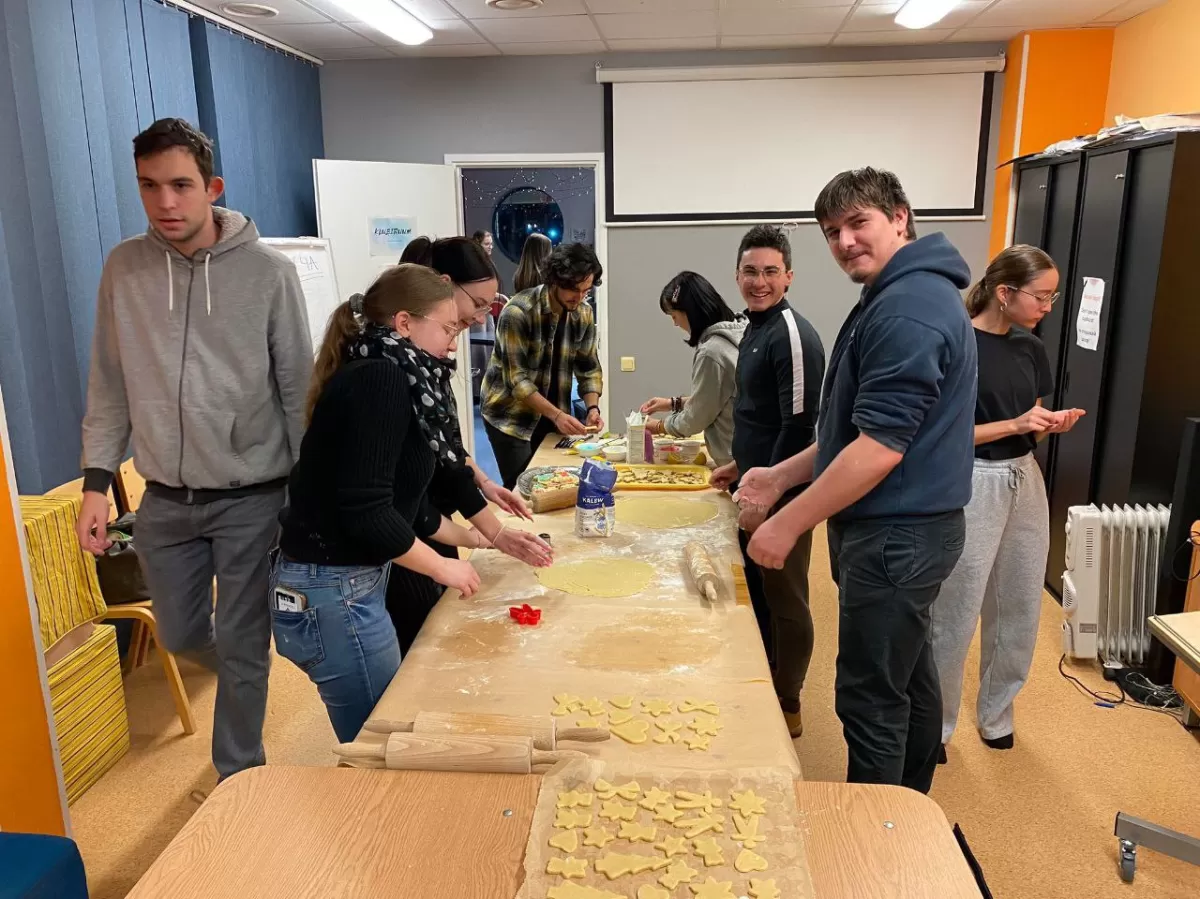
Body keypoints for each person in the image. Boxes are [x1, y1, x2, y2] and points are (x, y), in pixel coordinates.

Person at [75, 118, 314, 780]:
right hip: (165, 498)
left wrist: (310, 497)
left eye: (181, 185)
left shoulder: (269, 274)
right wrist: (96, 480)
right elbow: (109, 379)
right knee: (179, 634)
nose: (166, 203)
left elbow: (298, 389)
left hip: (252, 495)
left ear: (211, 187)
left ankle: (238, 775)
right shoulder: (124, 268)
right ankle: (249, 660)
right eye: (149, 187)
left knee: (239, 641)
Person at [735, 168, 977, 794]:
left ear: (900, 217)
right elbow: (850, 430)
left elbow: (876, 451)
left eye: (858, 224)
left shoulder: (909, 307)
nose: (844, 242)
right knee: (910, 678)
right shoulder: (894, 293)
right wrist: (779, 475)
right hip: (905, 530)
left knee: (870, 698)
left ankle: (877, 832)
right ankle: (910, 812)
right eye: (831, 232)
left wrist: (787, 521)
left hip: (897, 533)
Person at [273, 264, 551, 741]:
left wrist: (489, 538)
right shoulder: (379, 380)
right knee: (381, 743)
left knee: (390, 727)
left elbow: (410, 505)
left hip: (344, 585)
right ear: (404, 324)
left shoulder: (404, 376)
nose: (454, 341)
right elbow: (367, 512)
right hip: (332, 590)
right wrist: (445, 568)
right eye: (448, 328)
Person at [932, 245, 1084, 760]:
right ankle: (938, 725)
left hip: (1024, 477)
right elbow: (941, 435)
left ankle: (997, 712)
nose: (1047, 306)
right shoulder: (957, 344)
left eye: (1052, 296)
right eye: (1041, 296)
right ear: (1004, 292)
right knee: (957, 608)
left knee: (1019, 603)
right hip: (972, 480)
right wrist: (1018, 424)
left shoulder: (1030, 347)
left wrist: (1045, 423)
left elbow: (1029, 419)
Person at [387, 236, 539, 652]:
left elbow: (447, 451)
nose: (481, 316)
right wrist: (482, 537)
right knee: (417, 647)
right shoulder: (388, 376)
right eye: (477, 303)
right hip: (403, 541)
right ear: (444, 285)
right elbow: (390, 506)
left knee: (437, 628)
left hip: (425, 522)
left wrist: (483, 488)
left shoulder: (424, 362)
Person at [706, 227, 824, 738]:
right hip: (755, 484)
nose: (760, 281)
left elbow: (800, 428)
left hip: (784, 496)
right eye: (751, 271)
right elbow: (761, 417)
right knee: (753, 589)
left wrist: (768, 494)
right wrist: (739, 463)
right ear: (737, 276)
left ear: (789, 277)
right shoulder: (753, 327)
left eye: (771, 272)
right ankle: (759, 683)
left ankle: (787, 702)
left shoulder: (792, 335)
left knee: (785, 599)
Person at [481, 243, 605, 489]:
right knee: (524, 489)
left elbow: (588, 367)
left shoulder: (584, 312)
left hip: (551, 413)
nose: (579, 297)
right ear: (554, 280)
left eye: (586, 291)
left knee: (555, 482)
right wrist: (558, 415)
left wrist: (593, 408)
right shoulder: (518, 312)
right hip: (509, 416)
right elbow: (517, 381)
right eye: (573, 289)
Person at [639, 272, 745, 466]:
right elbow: (719, 398)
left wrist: (657, 426)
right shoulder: (739, 330)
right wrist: (672, 403)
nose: (675, 323)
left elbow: (695, 419)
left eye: (674, 315)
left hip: (733, 460)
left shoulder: (712, 352)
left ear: (689, 312)